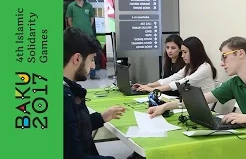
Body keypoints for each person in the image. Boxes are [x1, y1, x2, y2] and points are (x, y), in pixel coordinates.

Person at [147, 36, 246, 149]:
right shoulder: (234, 83)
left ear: (241, 53)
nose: (221, 63)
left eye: (224, 56)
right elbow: (199, 100)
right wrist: (165, 106)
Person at [63, 27, 126, 159]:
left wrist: (101, 117)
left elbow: (73, 129)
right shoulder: (64, 98)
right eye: (91, 59)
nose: (92, 66)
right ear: (77, 59)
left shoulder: (69, 90)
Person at [132, 36, 217, 94]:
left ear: (194, 53)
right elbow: (171, 79)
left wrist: (153, 89)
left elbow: (181, 83)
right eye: (182, 52)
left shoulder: (205, 67)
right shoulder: (189, 66)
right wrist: (148, 85)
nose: (182, 55)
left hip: (203, 107)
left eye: (185, 52)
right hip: (190, 104)